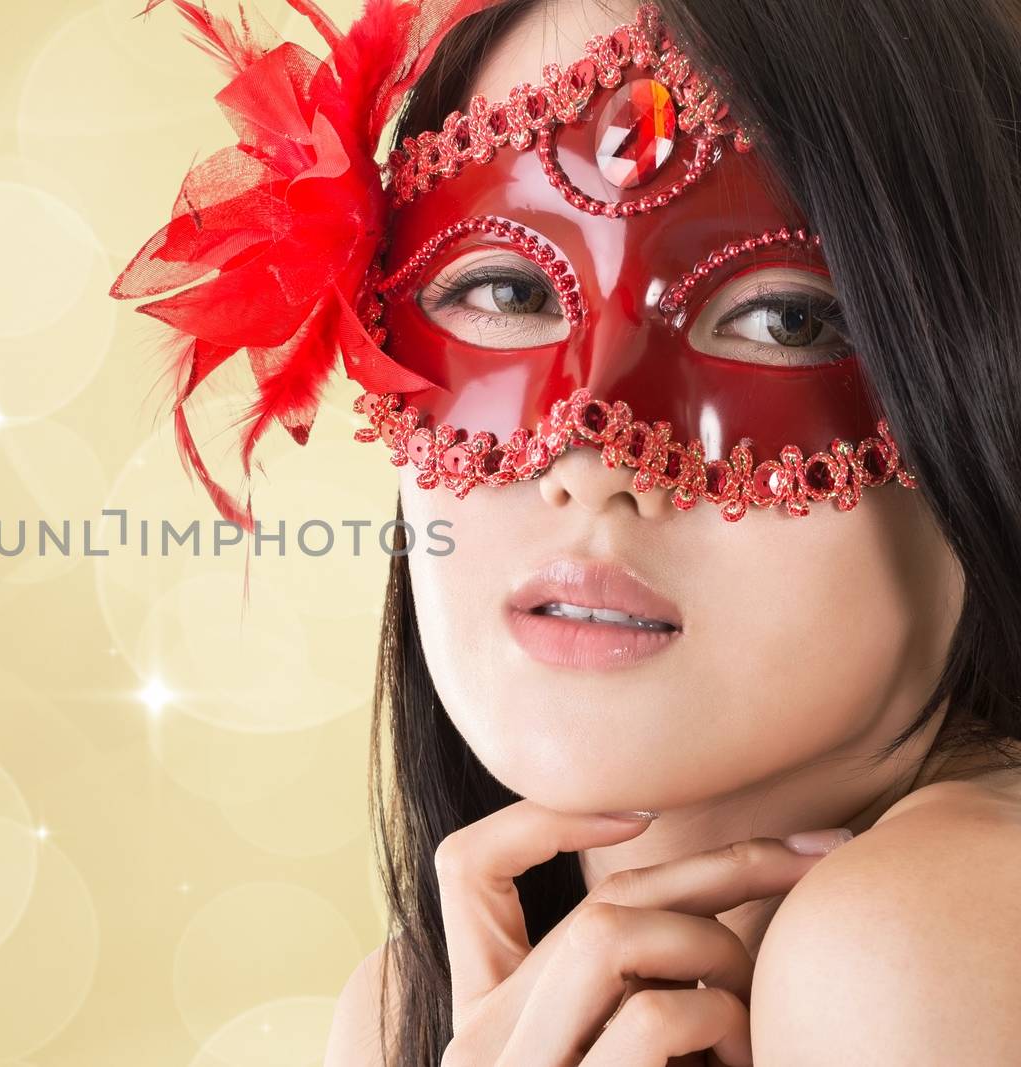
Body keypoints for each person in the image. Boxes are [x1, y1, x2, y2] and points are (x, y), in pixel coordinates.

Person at [112, 0, 1021, 1062]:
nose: (588, 450)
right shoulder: (431, 1004)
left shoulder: (925, 935)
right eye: (504, 285)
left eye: (787, 318)